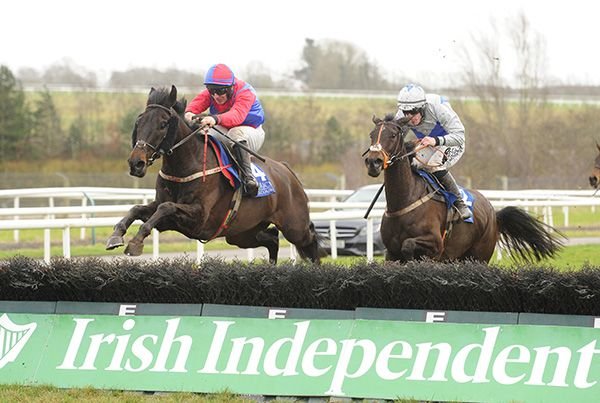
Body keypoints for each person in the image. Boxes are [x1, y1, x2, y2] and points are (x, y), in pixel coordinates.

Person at [184, 63, 265, 197]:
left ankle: (248, 178)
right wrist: (189, 115)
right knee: (202, 131)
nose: (216, 96)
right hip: (226, 129)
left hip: (251, 131)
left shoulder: (245, 92)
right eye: (212, 91)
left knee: (235, 133)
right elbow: (193, 107)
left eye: (221, 91)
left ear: (231, 87)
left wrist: (215, 119)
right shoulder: (213, 93)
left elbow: (237, 116)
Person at [395, 83, 472, 220]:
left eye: (413, 112)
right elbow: (396, 138)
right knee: (411, 164)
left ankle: (460, 204)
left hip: (452, 142)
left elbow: (459, 136)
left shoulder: (437, 107)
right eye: (406, 113)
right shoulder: (402, 115)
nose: (410, 117)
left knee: (434, 165)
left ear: (422, 107)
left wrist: (435, 140)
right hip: (429, 144)